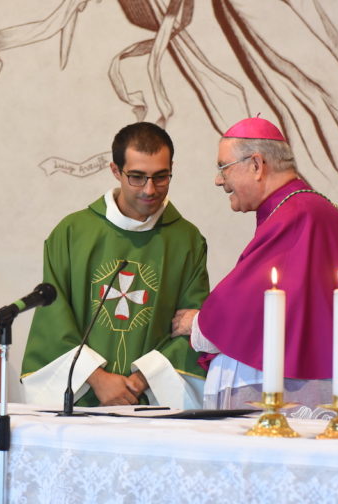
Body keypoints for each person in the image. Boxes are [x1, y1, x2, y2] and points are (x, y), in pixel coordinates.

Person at [172, 116, 338, 418]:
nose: (219, 180)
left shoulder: (298, 214)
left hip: (298, 393)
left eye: (223, 168)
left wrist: (197, 324)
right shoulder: (302, 208)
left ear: (256, 165)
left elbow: (247, 304)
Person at [21, 122, 210, 408]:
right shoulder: (72, 233)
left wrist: (143, 379)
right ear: (115, 171)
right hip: (86, 397)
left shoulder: (187, 240)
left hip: (152, 400)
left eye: (161, 177)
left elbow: (192, 325)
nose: (150, 189)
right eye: (137, 177)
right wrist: (97, 378)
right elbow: (53, 320)